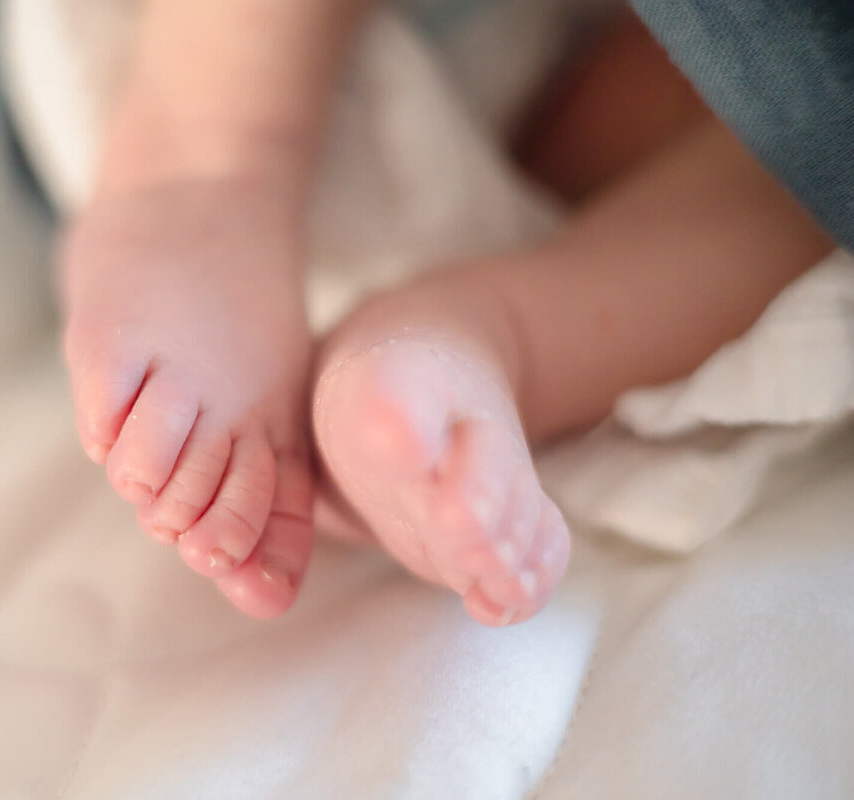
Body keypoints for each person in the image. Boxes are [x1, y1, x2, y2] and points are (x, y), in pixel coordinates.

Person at [58, 0, 834, 623]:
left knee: (816, 142)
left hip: (538, 162)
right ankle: (210, 168)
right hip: (191, 47)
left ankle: (216, 173)